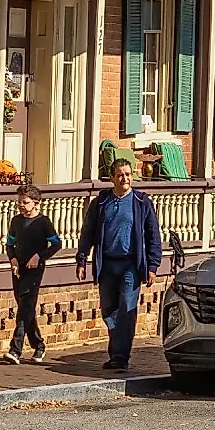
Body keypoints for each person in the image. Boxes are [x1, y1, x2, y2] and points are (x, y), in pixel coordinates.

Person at [77, 156, 164, 372]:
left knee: (127, 309)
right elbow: (87, 232)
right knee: (109, 310)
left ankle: (120, 356)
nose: (124, 178)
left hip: (130, 265)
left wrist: (152, 266)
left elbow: (153, 235)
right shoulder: (101, 203)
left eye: (127, 174)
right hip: (107, 263)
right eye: (120, 175)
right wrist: (81, 259)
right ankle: (117, 348)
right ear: (112, 178)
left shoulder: (141, 202)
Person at [2, 184, 62, 364]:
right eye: (19, 202)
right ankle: (39, 344)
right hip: (18, 268)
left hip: (35, 270)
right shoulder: (16, 221)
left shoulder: (43, 223)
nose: (21, 205)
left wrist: (39, 256)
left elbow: (57, 244)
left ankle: (15, 349)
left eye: (25, 202)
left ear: (36, 203)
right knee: (25, 307)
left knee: (25, 306)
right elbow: (10, 244)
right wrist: (12, 259)